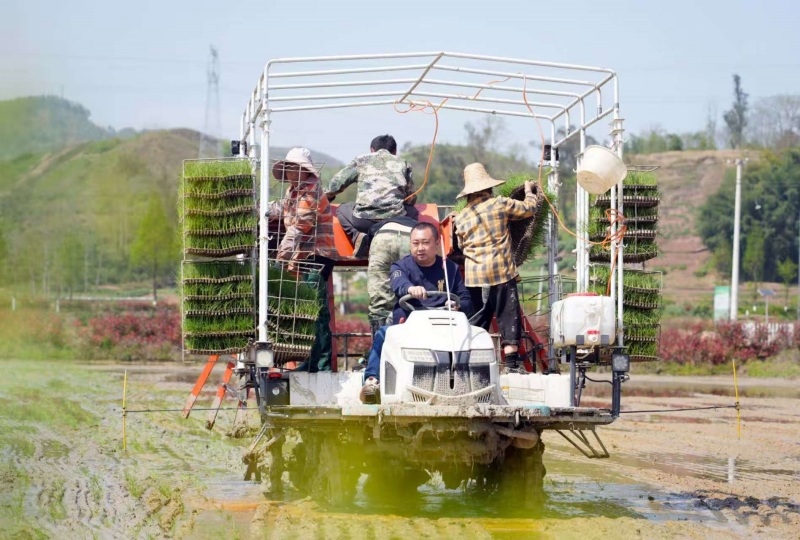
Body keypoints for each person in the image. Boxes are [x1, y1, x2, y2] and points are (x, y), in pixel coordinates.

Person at [360, 222, 473, 404]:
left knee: (475, 337)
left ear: (437, 243)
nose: (420, 248)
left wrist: (457, 305)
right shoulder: (400, 266)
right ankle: (372, 381)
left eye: (425, 242)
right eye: (415, 243)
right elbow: (399, 284)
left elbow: (465, 299)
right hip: (409, 328)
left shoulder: (450, 269)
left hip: (444, 329)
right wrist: (411, 289)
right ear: (410, 244)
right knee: (383, 334)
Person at [453, 163, 539, 371]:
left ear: (468, 193)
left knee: (476, 321)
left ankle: (469, 365)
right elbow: (529, 209)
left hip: (474, 277)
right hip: (501, 272)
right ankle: (511, 365)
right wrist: (529, 191)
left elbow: (462, 246)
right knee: (508, 316)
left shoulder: (461, 217)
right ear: (488, 187)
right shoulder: (498, 203)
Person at [268, 147, 337, 372]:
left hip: (316, 255)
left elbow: (300, 227)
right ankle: (312, 361)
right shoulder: (294, 191)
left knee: (317, 311)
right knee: (308, 309)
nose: (290, 172)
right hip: (303, 257)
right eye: (288, 168)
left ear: (303, 170)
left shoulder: (311, 191)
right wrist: (259, 209)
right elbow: (280, 209)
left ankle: (321, 365)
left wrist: (280, 257)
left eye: (294, 168)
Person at [325, 134, 418, 257]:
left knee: (342, 209)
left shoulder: (361, 160)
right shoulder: (403, 163)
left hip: (364, 221)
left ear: (372, 150)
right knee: (413, 211)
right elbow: (411, 197)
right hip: (395, 221)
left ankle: (357, 236)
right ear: (394, 151)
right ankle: (410, 243)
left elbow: (336, 184)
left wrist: (327, 197)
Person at [366, 214, 417, 336]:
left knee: (379, 299)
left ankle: (379, 348)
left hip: (383, 236)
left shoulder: (370, 215)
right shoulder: (411, 211)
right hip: (412, 234)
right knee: (413, 295)